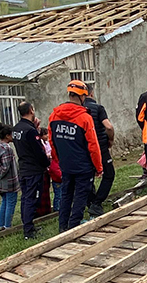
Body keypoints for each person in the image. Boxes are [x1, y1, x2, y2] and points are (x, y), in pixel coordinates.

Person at [48, 80, 102, 230]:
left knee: (66, 195)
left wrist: (59, 160)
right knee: (80, 196)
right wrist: (98, 167)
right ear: (82, 96)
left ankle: (62, 227)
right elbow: (93, 146)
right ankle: (73, 227)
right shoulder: (85, 118)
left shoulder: (54, 115)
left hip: (66, 165)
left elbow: (52, 142)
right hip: (83, 166)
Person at [11, 102, 47, 238]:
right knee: (32, 199)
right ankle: (28, 230)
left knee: (26, 198)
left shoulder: (16, 129)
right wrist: (46, 163)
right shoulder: (30, 131)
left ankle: (28, 225)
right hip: (33, 169)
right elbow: (38, 150)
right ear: (31, 110)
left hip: (23, 167)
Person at [83, 82, 115, 217]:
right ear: (91, 93)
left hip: (84, 148)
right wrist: (111, 139)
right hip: (100, 146)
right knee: (109, 174)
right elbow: (108, 127)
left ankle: (91, 202)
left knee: (88, 176)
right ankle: (97, 202)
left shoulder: (78, 110)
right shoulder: (98, 108)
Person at [0, 122, 17, 230]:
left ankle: (1, 224)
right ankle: (7, 226)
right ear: (7, 136)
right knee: (10, 202)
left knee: (4, 202)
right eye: (12, 134)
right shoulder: (7, 149)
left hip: (1, 181)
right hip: (9, 181)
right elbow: (5, 167)